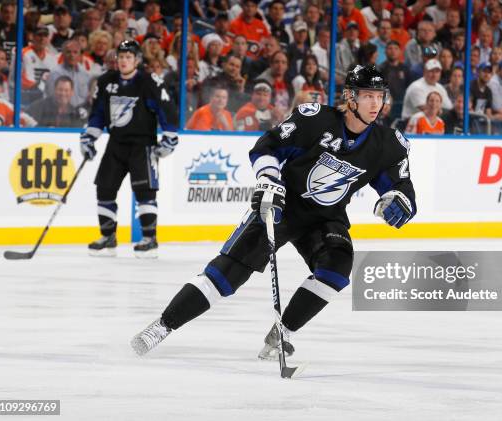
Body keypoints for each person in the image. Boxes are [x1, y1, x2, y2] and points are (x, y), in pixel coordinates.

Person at [130, 64, 417, 360]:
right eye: (367, 96)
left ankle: (283, 332)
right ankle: (163, 325)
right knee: (227, 275)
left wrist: (399, 199)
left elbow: (402, 185)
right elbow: (267, 147)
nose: (375, 103)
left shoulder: (388, 145)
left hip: (326, 218)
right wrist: (268, 179)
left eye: (379, 96)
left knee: (337, 267)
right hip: (283, 206)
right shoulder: (315, 120)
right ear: (350, 97)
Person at [79, 40, 179, 258]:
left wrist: (169, 137)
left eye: (128, 57)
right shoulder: (106, 81)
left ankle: (149, 239)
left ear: (137, 60)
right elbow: (98, 113)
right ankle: (108, 237)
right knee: (104, 188)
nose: (123, 61)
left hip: (143, 146)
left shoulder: (149, 81)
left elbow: (166, 109)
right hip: (115, 144)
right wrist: (89, 138)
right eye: (121, 56)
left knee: (145, 192)